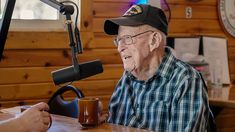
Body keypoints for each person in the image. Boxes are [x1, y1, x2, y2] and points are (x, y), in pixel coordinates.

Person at [103, 4, 210, 131]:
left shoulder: (186, 80)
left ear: (154, 40)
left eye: (127, 38)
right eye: (118, 40)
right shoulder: (126, 79)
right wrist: (102, 122)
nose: (119, 47)